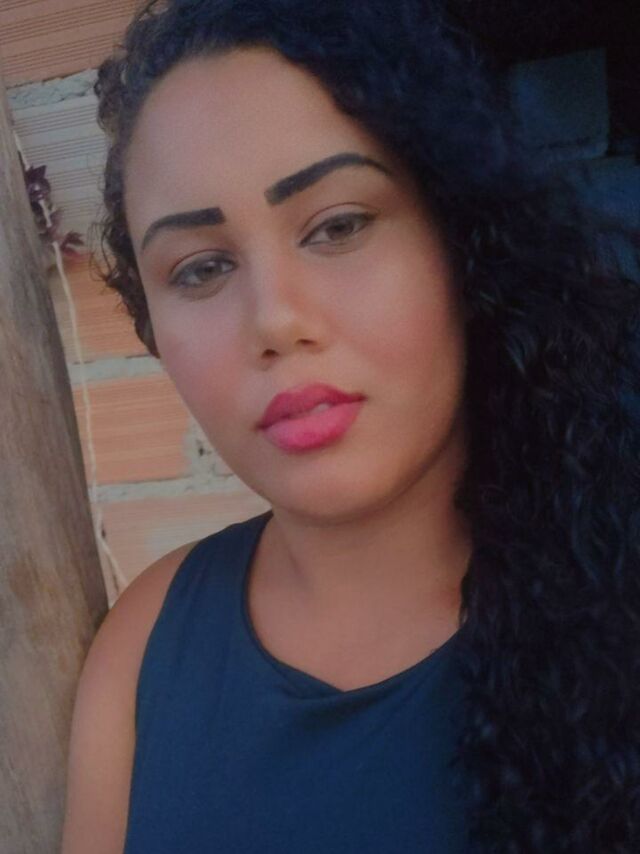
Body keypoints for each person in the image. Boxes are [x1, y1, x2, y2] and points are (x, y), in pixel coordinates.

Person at [61, 1, 640, 852]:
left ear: (461, 244)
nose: (275, 319)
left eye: (338, 226)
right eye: (202, 268)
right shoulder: (146, 640)